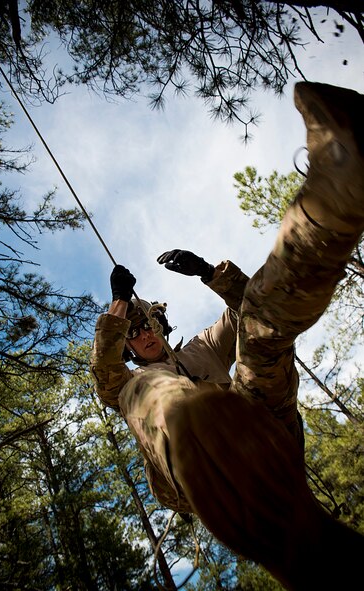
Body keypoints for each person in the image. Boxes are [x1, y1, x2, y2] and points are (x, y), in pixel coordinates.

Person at [91, 82, 364, 590]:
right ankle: (192, 422)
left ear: (163, 327)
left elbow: (245, 314)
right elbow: (108, 380)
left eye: (148, 322)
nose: (144, 331)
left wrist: (209, 272)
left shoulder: (198, 347)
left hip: (262, 426)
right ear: (127, 344)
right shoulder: (129, 381)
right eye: (134, 330)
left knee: (258, 331)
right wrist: (118, 307)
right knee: (142, 390)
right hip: (190, 475)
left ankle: (343, 184)